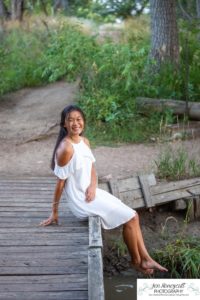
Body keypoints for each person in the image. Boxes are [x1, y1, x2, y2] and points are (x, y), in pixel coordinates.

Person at [40, 104, 168, 275]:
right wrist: (54, 212)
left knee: (134, 216)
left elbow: (92, 168)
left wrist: (93, 186)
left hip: (91, 192)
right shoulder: (66, 148)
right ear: (64, 124)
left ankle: (145, 258)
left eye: (78, 119)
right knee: (130, 217)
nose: (75, 123)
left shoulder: (85, 141)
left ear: (83, 121)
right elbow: (60, 183)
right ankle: (137, 261)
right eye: (70, 120)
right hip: (81, 200)